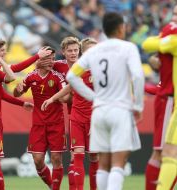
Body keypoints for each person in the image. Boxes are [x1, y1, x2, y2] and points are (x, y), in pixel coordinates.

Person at [66, 12, 144, 190]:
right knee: (118, 162)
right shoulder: (128, 48)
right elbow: (138, 76)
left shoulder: (94, 51)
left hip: (99, 111)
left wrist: (94, 97)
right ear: (120, 28)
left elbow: (71, 76)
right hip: (120, 109)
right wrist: (138, 105)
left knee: (102, 164)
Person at [0, 38, 51, 190]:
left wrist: (20, 103)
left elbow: (2, 94)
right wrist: (37, 56)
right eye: (2, 50)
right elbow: (17, 68)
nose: (5, 52)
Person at [41, 38, 98, 190]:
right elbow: (69, 86)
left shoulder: (101, 71)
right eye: (89, 51)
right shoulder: (76, 69)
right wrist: (53, 98)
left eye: (75, 51)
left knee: (94, 156)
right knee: (77, 154)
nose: (73, 53)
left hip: (94, 117)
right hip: (76, 116)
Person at [13, 47, 68, 190]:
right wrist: (17, 90)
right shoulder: (31, 76)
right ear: (40, 59)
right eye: (47, 58)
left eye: (53, 58)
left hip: (56, 123)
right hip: (38, 124)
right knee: (37, 160)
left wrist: (64, 96)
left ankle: (55, 188)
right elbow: (17, 94)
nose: (51, 61)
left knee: (56, 158)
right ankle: (51, 185)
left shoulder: (57, 77)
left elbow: (66, 96)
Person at [142, 5, 177, 190]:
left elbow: (152, 49)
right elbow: (148, 46)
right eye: (174, 13)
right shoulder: (172, 29)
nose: (174, 17)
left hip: (168, 97)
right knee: (162, 153)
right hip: (168, 99)